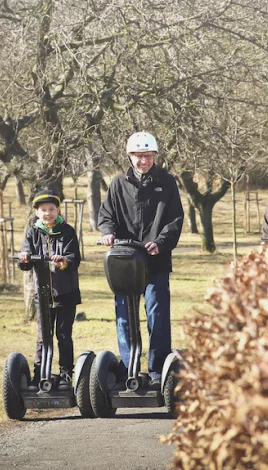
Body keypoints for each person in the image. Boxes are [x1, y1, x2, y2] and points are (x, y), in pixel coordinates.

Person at [98, 131, 184, 386]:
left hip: (155, 259)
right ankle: (129, 368)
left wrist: (160, 243)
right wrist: (108, 234)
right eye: (138, 156)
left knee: (157, 313)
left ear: (155, 156)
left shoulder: (167, 183)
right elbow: (106, 216)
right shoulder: (117, 184)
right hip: (124, 260)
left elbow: (175, 220)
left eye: (147, 156)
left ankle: (158, 371)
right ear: (129, 156)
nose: (143, 161)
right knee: (124, 314)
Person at [19, 189, 81, 389]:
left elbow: (74, 258)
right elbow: (26, 261)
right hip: (43, 295)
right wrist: (25, 258)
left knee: (63, 335)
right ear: (37, 212)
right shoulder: (32, 232)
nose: (48, 213)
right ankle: (40, 373)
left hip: (65, 294)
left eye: (52, 209)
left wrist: (63, 261)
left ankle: (65, 373)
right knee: (43, 335)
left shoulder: (67, 231)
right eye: (43, 210)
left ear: (58, 210)